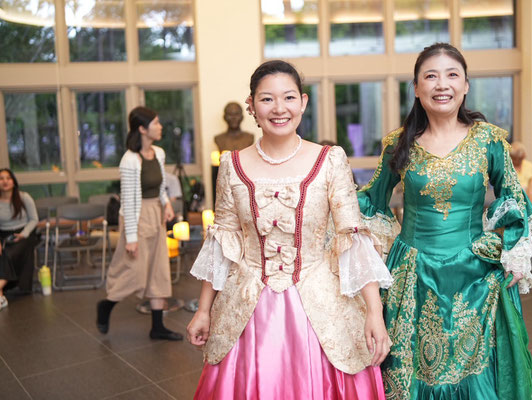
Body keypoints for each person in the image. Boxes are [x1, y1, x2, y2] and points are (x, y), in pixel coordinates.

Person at [186, 60, 393, 399]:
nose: (279, 108)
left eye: (289, 97)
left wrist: (374, 311)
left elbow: (352, 237)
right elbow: (223, 239)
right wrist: (204, 310)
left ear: (303, 102)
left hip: (320, 303)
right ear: (252, 105)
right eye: (267, 99)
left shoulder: (330, 160)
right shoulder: (231, 164)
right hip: (247, 305)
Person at [358, 43, 532, 399]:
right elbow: (371, 201)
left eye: (452, 75)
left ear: (466, 85)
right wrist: (329, 193)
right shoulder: (398, 143)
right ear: (416, 88)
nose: (442, 84)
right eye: (431, 76)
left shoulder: (488, 139)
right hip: (412, 274)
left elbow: (512, 196)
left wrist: (517, 249)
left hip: (476, 276)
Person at [96, 106, 182, 341]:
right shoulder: (130, 160)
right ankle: (107, 304)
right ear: (142, 129)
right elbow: (129, 200)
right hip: (136, 215)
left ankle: (157, 327)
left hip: (156, 213)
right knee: (133, 269)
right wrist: (131, 237)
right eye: (156, 123)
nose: (160, 127)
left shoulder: (159, 153)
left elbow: (160, 185)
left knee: (158, 268)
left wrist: (166, 204)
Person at [0, 168, 39, 307]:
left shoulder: (24, 197)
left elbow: (34, 219)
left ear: (13, 181)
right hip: (3, 234)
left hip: (25, 233)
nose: (5, 181)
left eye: (8, 178)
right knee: (2, 252)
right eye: (1, 179)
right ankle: (0, 296)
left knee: (9, 254)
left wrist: (24, 234)